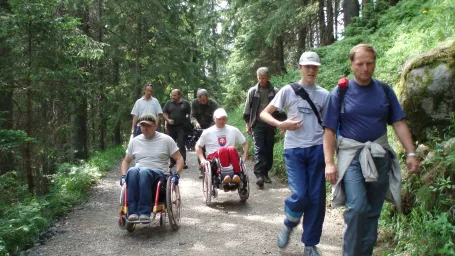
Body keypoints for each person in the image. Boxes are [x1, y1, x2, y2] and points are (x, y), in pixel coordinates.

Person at [322, 44, 419, 256]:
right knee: (357, 207)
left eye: (369, 63)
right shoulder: (340, 92)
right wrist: (330, 162)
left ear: (374, 63)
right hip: (351, 157)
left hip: (379, 155)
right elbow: (329, 130)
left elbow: (399, 123)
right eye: (360, 64)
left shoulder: (384, 90)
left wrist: (410, 152)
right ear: (352, 65)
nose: (365, 68)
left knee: (374, 210)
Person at [260, 52, 330, 255]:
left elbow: (329, 128)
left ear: (318, 69)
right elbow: (264, 114)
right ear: (299, 67)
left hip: (317, 149)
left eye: (314, 66)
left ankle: (310, 245)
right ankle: (289, 225)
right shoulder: (288, 91)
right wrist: (281, 123)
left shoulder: (324, 95)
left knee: (316, 200)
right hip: (294, 151)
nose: (311, 70)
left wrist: (331, 155)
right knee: (300, 195)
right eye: (307, 66)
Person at [120, 113, 184, 221]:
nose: (145, 128)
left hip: (159, 175)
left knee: (144, 172)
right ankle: (132, 212)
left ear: (155, 125)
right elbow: (126, 161)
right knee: (132, 171)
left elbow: (179, 159)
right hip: (139, 173)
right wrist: (123, 176)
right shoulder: (135, 141)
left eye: (148, 126)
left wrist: (177, 174)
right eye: (142, 126)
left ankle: (144, 212)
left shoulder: (166, 140)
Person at [243, 67, 279, 188]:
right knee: (259, 148)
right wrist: (247, 124)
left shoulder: (275, 91)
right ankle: (259, 175)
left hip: (270, 123)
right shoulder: (253, 91)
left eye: (263, 78)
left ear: (268, 78)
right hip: (257, 124)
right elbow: (247, 109)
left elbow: (279, 109)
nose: (261, 80)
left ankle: (265, 172)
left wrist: (281, 122)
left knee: (269, 149)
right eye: (259, 78)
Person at [195, 108, 249, 184]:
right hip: (213, 158)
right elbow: (198, 146)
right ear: (214, 119)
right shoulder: (207, 132)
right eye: (219, 119)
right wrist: (202, 159)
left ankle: (237, 174)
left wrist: (245, 157)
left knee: (231, 148)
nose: (221, 121)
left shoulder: (233, 130)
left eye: (223, 119)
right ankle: (224, 174)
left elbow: (245, 143)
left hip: (230, 156)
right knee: (223, 150)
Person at [190, 88, 219, 178]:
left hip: (211, 127)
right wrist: (196, 122)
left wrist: (213, 125)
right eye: (201, 99)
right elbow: (192, 116)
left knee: (212, 147)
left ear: (207, 97)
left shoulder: (213, 104)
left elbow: (218, 115)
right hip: (199, 128)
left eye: (204, 99)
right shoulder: (195, 103)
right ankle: (202, 168)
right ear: (198, 99)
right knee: (200, 148)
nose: (203, 101)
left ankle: (215, 167)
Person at [162, 89, 191, 169]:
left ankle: (183, 162)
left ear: (179, 95)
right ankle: (172, 161)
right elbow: (164, 113)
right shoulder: (169, 103)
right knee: (171, 143)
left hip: (181, 127)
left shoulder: (185, 103)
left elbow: (189, 113)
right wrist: (167, 120)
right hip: (171, 127)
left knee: (181, 143)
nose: (173, 97)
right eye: (172, 95)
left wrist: (187, 121)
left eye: (174, 95)